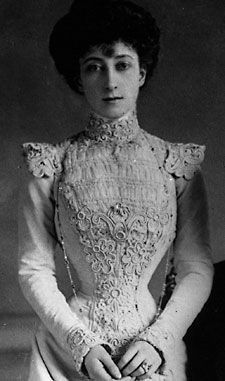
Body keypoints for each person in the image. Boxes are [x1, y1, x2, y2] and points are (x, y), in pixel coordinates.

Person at [18, 0, 214, 380]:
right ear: (78, 78)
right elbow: (33, 269)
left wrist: (160, 339)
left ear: (142, 72)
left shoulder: (177, 167)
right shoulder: (50, 166)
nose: (109, 81)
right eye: (94, 67)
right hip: (71, 349)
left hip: (152, 348)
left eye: (122, 64)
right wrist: (80, 344)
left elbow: (195, 267)